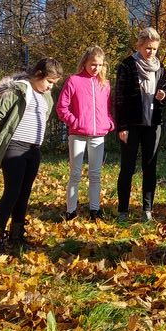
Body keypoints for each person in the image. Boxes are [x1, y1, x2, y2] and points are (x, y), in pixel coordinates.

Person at [0, 57, 63, 253]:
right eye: (49, 82)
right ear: (38, 74)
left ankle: (16, 235)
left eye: (54, 83)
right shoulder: (18, 90)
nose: (50, 87)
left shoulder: (46, 96)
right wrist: (8, 133)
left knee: (24, 193)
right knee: (12, 192)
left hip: (33, 150)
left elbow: (44, 117)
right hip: (14, 148)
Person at [115, 27, 166, 221]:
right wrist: (121, 126)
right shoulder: (127, 65)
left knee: (150, 167)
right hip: (131, 125)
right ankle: (123, 210)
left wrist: (163, 96)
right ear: (139, 46)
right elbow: (119, 98)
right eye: (147, 48)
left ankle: (147, 209)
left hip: (153, 125)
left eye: (154, 49)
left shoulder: (160, 68)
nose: (151, 52)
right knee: (127, 167)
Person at [56, 46, 115, 221]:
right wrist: (75, 122)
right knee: (75, 173)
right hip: (78, 134)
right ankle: (71, 210)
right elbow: (61, 107)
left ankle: (94, 210)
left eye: (100, 65)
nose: (96, 68)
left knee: (95, 174)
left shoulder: (105, 84)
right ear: (85, 63)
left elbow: (106, 108)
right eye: (93, 64)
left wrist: (108, 122)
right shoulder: (73, 80)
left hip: (98, 135)